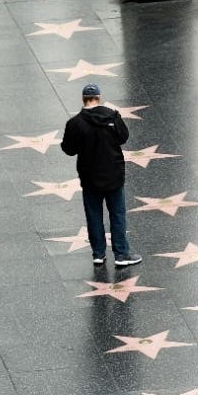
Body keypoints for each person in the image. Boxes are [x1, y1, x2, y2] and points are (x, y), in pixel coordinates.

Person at [61, 83, 142, 267]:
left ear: (83, 99)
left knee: (94, 215)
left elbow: (68, 149)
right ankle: (121, 254)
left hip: (89, 177)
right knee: (117, 215)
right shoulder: (112, 116)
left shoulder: (75, 123)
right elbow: (123, 137)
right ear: (99, 97)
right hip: (114, 175)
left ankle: (98, 253)